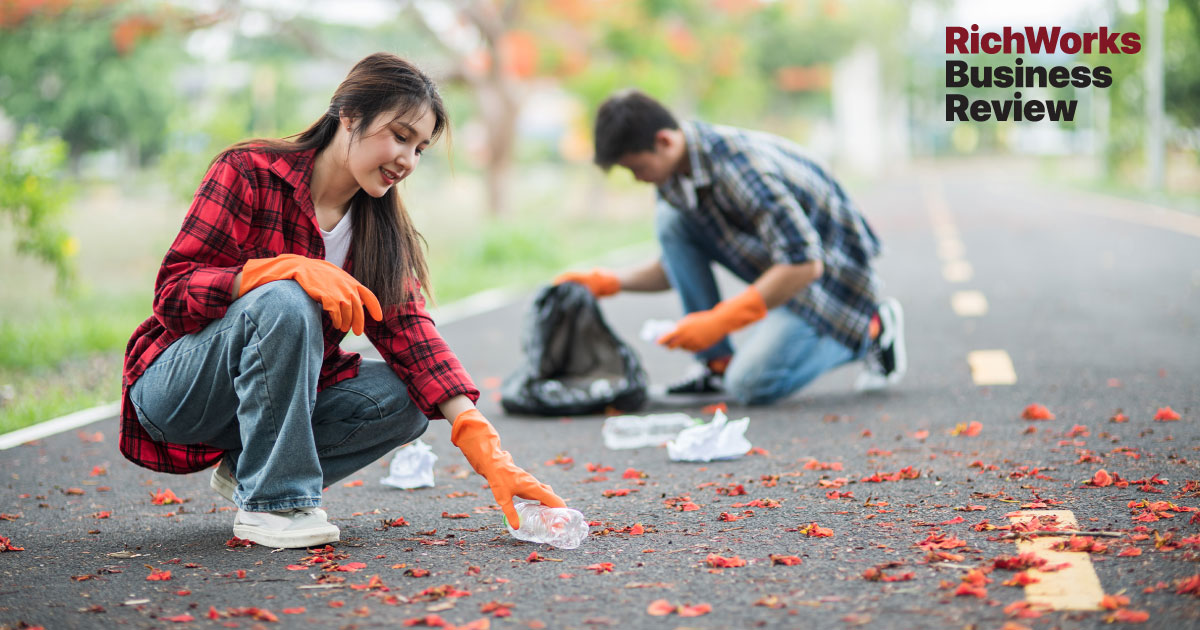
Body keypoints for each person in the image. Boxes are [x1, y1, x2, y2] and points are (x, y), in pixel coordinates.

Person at [120, 52, 564, 548]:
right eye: (400, 136)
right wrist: (278, 270)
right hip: (181, 390)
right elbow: (173, 294)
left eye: (420, 148)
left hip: (268, 404)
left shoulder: (379, 228)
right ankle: (273, 502)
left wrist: (481, 440)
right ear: (349, 116)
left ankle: (253, 470)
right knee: (287, 299)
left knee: (412, 399)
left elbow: (411, 335)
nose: (407, 161)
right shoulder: (249, 171)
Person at [556, 89, 905, 405]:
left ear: (663, 141)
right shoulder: (677, 170)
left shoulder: (739, 168)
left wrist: (719, 321)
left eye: (638, 168)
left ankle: (872, 329)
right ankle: (716, 365)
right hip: (782, 266)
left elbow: (805, 264)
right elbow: (676, 266)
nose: (638, 179)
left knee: (751, 386)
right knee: (672, 220)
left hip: (831, 286)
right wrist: (609, 282)